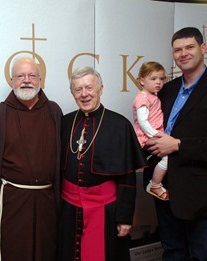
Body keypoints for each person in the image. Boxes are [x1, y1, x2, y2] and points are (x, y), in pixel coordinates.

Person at [0, 56, 62, 261]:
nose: (26, 80)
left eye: (32, 75)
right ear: (11, 80)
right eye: (20, 76)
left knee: (46, 253)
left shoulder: (54, 111)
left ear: (40, 80)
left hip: (47, 202)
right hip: (10, 201)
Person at [58, 66, 147, 261]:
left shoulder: (119, 125)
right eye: (78, 89)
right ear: (72, 93)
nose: (84, 94)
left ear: (100, 89)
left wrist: (124, 218)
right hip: (69, 210)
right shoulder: (64, 123)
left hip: (106, 212)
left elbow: (127, 177)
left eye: (89, 88)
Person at [146, 27, 207, 260]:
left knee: (203, 256)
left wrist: (178, 145)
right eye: (177, 50)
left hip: (203, 197)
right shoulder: (167, 89)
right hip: (166, 192)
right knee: (172, 253)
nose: (183, 53)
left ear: (203, 49)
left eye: (189, 47)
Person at [133, 61, 169, 201]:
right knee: (167, 158)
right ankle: (155, 184)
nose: (158, 82)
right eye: (153, 79)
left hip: (154, 135)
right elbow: (142, 121)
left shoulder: (153, 96)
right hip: (147, 136)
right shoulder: (143, 97)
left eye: (161, 78)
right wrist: (157, 135)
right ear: (142, 81)